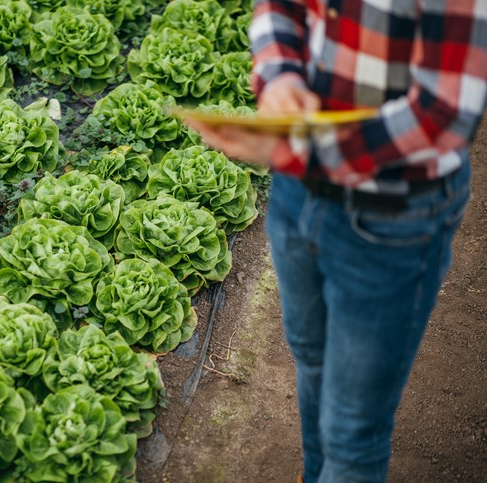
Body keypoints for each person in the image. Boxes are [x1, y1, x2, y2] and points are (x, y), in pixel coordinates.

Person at [184, 1, 486, 482]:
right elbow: (279, 8)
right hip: (297, 189)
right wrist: (281, 77)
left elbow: (447, 113)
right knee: (310, 352)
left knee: (354, 436)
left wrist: (308, 147)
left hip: (392, 213)